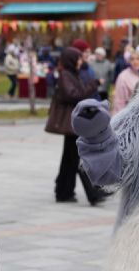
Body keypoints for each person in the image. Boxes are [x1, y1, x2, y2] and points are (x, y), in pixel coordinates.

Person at [47, 47, 104, 205]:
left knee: (69, 159)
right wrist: (93, 85)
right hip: (71, 124)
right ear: (71, 60)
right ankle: (94, 193)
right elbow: (74, 95)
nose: (80, 61)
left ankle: (63, 192)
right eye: (78, 58)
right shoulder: (66, 75)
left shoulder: (71, 74)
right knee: (79, 157)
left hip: (73, 123)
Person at [112, 50, 139, 114]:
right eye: (132, 59)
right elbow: (119, 101)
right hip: (129, 114)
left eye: (138, 59)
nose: (135, 62)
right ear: (129, 61)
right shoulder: (123, 76)